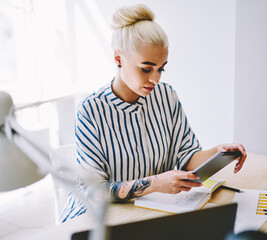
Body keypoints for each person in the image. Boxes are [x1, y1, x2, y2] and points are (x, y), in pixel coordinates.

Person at [60, 4, 247, 223]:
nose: (155, 79)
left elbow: (188, 156)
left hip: (152, 215)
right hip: (98, 220)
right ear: (118, 58)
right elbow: (94, 191)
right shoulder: (91, 110)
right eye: (146, 68)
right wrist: (155, 183)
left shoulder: (166, 96)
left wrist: (219, 152)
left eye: (161, 68)